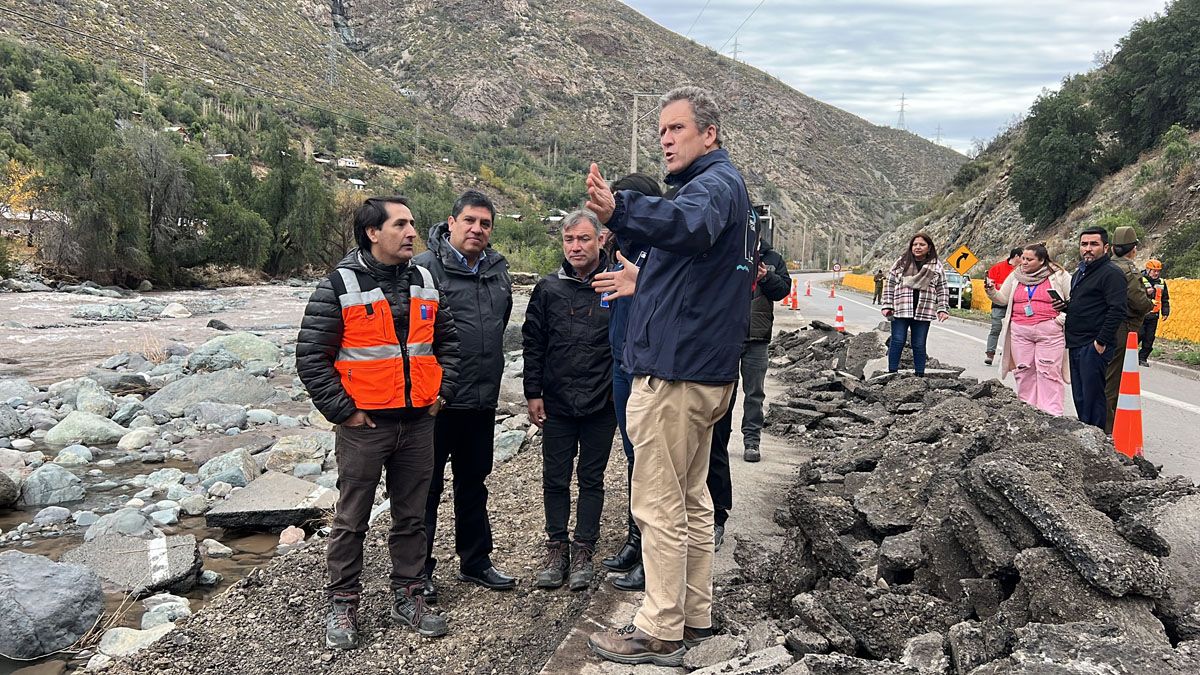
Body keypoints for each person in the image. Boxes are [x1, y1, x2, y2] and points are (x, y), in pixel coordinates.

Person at [583, 86, 753, 666]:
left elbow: (687, 225)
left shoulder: (713, 187)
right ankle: (694, 615)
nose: (665, 140)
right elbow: (694, 267)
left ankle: (658, 628)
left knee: (659, 506)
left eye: (676, 128)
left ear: (710, 133)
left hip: (676, 375)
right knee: (692, 501)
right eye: (661, 131)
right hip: (703, 371)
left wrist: (620, 211)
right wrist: (644, 280)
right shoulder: (720, 187)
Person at [296, 196, 461, 648]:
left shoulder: (425, 280)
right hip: (364, 427)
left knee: (412, 517)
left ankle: (409, 595)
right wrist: (344, 410)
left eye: (412, 224)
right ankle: (343, 603)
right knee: (351, 518)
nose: (412, 233)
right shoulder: (339, 285)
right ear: (373, 233)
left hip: (418, 422)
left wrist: (442, 393)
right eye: (400, 225)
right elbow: (311, 357)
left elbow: (449, 343)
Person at [411, 190, 517, 599]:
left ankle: (476, 561)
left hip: (481, 398)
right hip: (435, 403)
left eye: (485, 224)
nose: (477, 229)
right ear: (451, 222)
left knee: (474, 483)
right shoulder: (423, 269)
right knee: (425, 489)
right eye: (470, 220)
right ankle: (417, 571)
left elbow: (498, 325)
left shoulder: (497, 271)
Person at [522, 210, 616, 592]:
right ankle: (557, 546)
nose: (576, 247)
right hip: (558, 401)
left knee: (592, 477)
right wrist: (533, 393)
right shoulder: (548, 289)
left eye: (583, 239)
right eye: (569, 239)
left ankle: (584, 548)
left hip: (602, 403)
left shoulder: (615, 284)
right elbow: (534, 343)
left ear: (600, 240)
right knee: (555, 477)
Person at [594, 174, 661, 592]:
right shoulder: (619, 248)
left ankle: (653, 554)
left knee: (652, 464)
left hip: (648, 367)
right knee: (634, 458)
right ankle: (634, 540)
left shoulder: (661, 249)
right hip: (621, 363)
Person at [989, 244, 1071, 415]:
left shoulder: (1059, 275)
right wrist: (991, 291)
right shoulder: (1016, 275)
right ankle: (1027, 409)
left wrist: (1060, 320)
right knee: (1023, 370)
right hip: (1020, 331)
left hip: (1050, 331)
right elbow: (1002, 298)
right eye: (1023, 258)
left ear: (1041, 260)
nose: (1024, 262)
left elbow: (1074, 300)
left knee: (1048, 371)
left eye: (1029, 259)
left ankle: (1051, 413)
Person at [1058, 226, 1126, 429]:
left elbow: (1117, 309)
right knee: (1080, 396)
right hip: (1076, 342)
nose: (1088, 248)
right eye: (1084, 244)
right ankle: (1085, 436)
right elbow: (1088, 304)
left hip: (1093, 344)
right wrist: (1066, 307)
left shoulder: (1111, 274)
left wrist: (1101, 342)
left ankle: (1097, 440)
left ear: (1106, 247)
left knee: (1093, 398)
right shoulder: (1080, 272)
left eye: (1094, 244)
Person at [740, 236, 791, 463]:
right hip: (726, 335)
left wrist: (766, 277)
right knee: (721, 393)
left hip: (758, 337)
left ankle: (752, 441)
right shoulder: (730, 248)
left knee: (754, 394)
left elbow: (783, 291)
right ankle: (717, 442)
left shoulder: (773, 259)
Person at [1104, 226, 1154, 433]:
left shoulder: (1105, 266)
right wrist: (1150, 304)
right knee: (1113, 378)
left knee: (1103, 373)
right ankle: (1108, 426)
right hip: (1122, 326)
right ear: (1133, 249)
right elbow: (1137, 300)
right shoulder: (1129, 270)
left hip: (1102, 325)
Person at [880, 233, 950, 375]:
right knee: (898, 340)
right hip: (901, 309)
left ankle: (919, 375)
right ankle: (892, 372)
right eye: (915, 244)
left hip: (924, 311)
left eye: (922, 244)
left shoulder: (935, 265)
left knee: (919, 344)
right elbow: (890, 284)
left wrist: (943, 308)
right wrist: (887, 305)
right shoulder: (901, 263)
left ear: (929, 248)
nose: (918, 247)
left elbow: (942, 288)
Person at [984, 249, 1023, 365]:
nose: (1024, 261)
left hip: (1015, 304)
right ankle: (990, 353)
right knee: (996, 328)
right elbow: (991, 284)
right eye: (1023, 257)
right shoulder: (997, 268)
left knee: (1012, 331)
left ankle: (1005, 355)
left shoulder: (1022, 271)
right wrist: (1000, 286)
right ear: (1016, 256)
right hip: (998, 304)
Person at [1138, 259, 1170, 367]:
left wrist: (1165, 312)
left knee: (1149, 339)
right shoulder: (1139, 279)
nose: (1156, 273)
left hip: (1153, 316)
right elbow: (1133, 294)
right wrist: (1145, 292)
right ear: (1148, 270)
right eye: (1154, 271)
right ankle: (1128, 355)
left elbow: (1165, 299)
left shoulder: (1161, 282)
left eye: (1158, 271)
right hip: (1141, 315)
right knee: (1139, 335)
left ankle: (1142, 358)